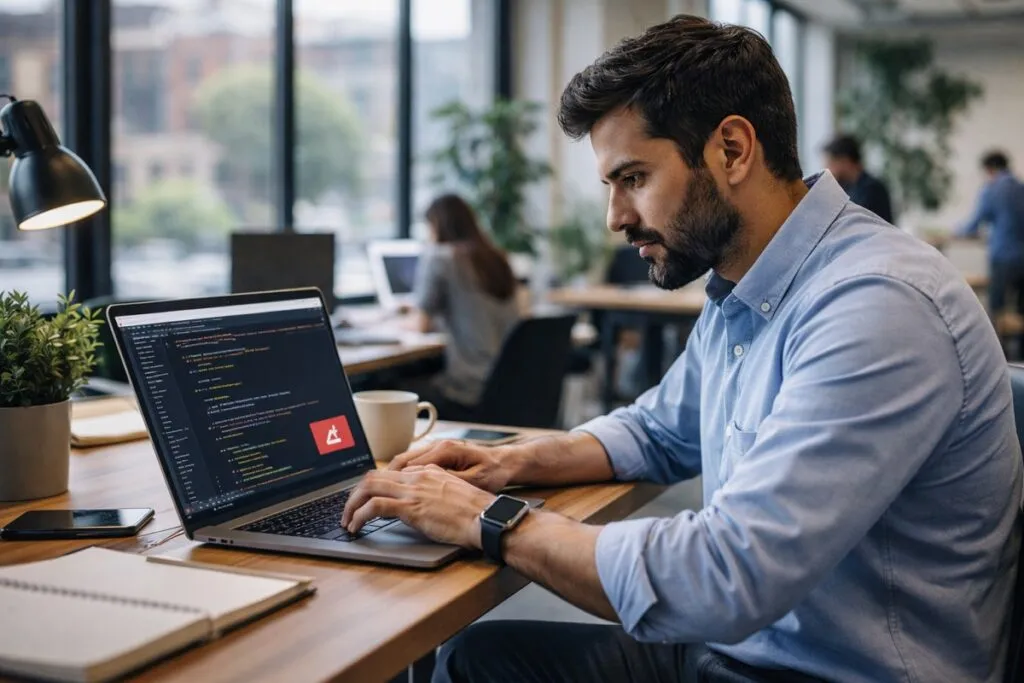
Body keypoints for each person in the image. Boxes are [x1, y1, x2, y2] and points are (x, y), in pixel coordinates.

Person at [342, 15, 1022, 683]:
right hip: (743, 647)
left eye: (633, 177)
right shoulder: (749, 284)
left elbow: (730, 574)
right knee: (475, 659)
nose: (615, 218)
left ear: (731, 149)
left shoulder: (877, 304)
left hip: (822, 667)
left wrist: (485, 519)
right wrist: (510, 461)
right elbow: (661, 427)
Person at [401, 193, 520, 415]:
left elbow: (420, 325)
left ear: (436, 225)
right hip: (509, 385)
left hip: (468, 389)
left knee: (383, 389)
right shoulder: (496, 258)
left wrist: (387, 323)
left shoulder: (441, 257)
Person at [958, 151, 1024, 321]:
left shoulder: (992, 189)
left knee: (997, 308)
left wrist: (957, 230)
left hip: (1003, 256)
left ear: (990, 169)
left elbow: (974, 223)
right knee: (1020, 312)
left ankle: (1000, 347)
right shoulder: (1020, 187)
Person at [822, 134, 894, 223]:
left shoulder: (871, 190)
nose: (827, 170)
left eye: (830, 164)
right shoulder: (848, 188)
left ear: (845, 161)